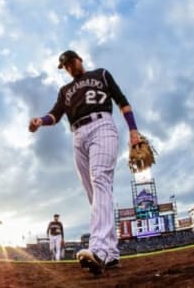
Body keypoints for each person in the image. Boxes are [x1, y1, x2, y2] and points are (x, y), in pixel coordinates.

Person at [29, 50, 141, 275]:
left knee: (99, 178)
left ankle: (98, 249)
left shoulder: (101, 74)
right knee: (95, 193)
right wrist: (40, 121)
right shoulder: (65, 90)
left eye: (70, 62)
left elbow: (123, 102)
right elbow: (56, 114)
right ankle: (111, 254)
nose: (69, 67)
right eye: (65, 66)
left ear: (78, 59)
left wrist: (133, 130)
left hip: (102, 125)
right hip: (77, 135)